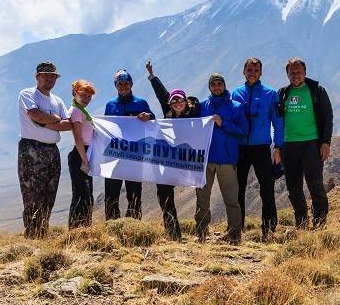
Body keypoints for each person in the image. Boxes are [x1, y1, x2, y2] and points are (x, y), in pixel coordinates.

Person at [275, 57, 333, 228]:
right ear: (287, 75)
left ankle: (320, 224)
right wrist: (277, 147)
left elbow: (328, 117)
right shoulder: (283, 93)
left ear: (305, 72)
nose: (295, 75)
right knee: (294, 190)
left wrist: (326, 142)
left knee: (315, 186)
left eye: (298, 72)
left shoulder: (317, 91)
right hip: (289, 146)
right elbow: (277, 120)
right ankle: (301, 224)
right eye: (292, 73)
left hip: (311, 145)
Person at [146, 60, 200, 241]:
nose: (177, 103)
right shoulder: (167, 114)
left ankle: (201, 230)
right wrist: (152, 76)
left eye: (180, 100)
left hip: (188, 160)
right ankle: (173, 232)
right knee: (164, 195)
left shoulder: (194, 114)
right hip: (167, 160)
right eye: (174, 100)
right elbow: (162, 94)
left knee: (202, 193)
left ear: (186, 101)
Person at [17, 62, 71, 238]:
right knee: (32, 194)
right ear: (37, 77)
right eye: (45, 75)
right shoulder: (28, 94)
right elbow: (34, 114)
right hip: (31, 149)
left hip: (52, 151)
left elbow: (68, 124)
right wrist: (54, 120)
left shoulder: (57, 101)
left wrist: (45, 122)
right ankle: (32, 235)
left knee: (49, 193)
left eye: (52, 76)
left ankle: (42, 232)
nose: (49, 78)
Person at [231, 57, 284, 239]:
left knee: (267, 188)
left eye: (255, 70)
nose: (252, 73)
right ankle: (236, 228)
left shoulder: (271, 94)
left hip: (261, 147)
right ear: (243, 72)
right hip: (240, 148)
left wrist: (278, 147)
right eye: (249, 70)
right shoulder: (236, 93)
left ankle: (269, 229)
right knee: (238, 188)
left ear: (261, 72)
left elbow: (278, 122)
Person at [196, 73, 248, 244]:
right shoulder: (203, 106)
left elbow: (243, 131)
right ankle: (201, 234)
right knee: (202, 199)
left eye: (220, 84)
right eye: (214, 84)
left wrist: (223, 123)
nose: (217, 87)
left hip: (227, 160)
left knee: (231, 199)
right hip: (206, 160)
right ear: (210, 87)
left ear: (224, 85)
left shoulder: (236, 106)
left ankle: (235, 234)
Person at [104, 69, 155, 220]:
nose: (124, 86)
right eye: (120, 84)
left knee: (134, 193)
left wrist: (150, 116)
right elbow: (106, 127)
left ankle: (133, 226)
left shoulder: (141, 102)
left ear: (132, 84)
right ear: (116, 85)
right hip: (114, 156)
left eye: (127, 83)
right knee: (111, 193)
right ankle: (112, 226)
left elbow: (154, 122)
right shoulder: (110, 105)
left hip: (134, 156)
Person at [68, 79, 97, 229]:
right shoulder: (76, 111)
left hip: (85, 153)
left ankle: (84, 229)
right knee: (81, 195)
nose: (86, 99)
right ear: (75, 94)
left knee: (86, 195)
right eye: (83, 95)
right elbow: (78, 138)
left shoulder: (82, 110)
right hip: (80, 154)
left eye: (89, 97)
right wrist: (85, 161)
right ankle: (76, 231)